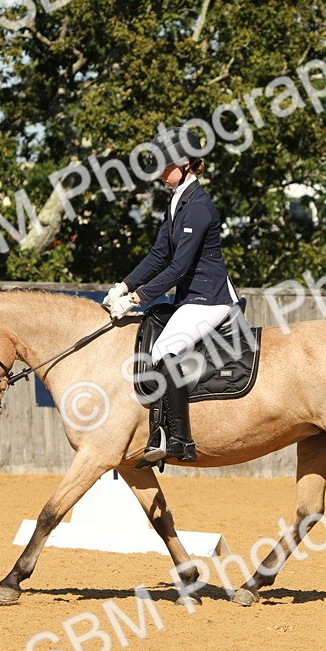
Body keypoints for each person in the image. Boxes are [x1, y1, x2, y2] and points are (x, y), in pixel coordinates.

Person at [104, 127, 239, 465]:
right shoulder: (177, 202)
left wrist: (137, 298)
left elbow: (178, 268)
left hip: (210, 298)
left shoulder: (199, 207)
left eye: (166, 167)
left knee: (166, 349)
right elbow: (157, 255)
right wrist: (124, 285)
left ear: (187, 164)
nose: (160, 173)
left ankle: (179, 439)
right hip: (191, 297)